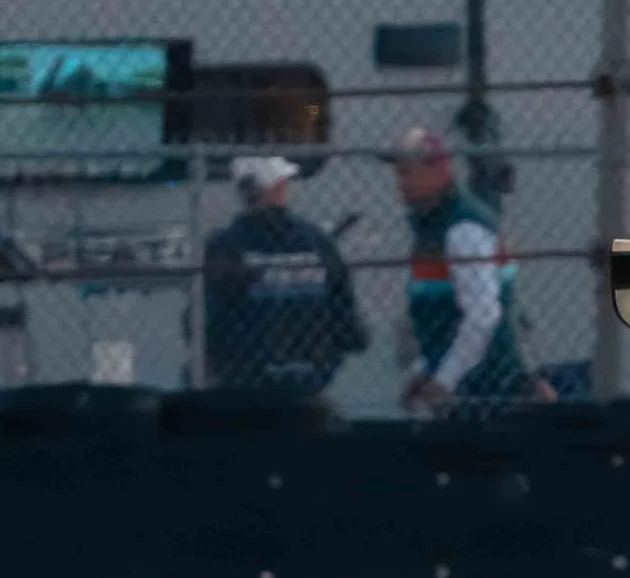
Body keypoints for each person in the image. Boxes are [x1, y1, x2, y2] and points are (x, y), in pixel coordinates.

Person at [392, 127, 537, 413]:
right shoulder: (433, 228)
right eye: (399, 173)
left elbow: (483, 315)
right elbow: (443, 316)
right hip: (472, 382)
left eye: (409, 172)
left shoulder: (463, 228)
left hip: (483, 389)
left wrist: (443, 382)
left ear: (441, 169)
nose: (400, 183)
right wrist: (426, 372)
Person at [202, 156, 366, 393]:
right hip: (312, 377)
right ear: (277, 186)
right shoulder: (317, 241)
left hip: (245, 381)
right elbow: (347, 319)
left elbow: (208, 321)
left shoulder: (224, 245)